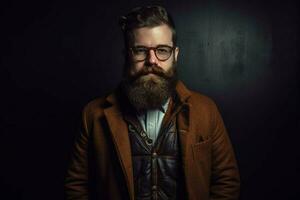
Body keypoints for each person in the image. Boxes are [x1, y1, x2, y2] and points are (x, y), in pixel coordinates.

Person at [65, 5, 240, 200]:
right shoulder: (93, 114)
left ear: (175, 55)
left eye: (162, 50)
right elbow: (77, 186)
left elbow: (226, 181)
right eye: (140, 50)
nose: (152, 60)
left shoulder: (206, 110)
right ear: (126, 56)